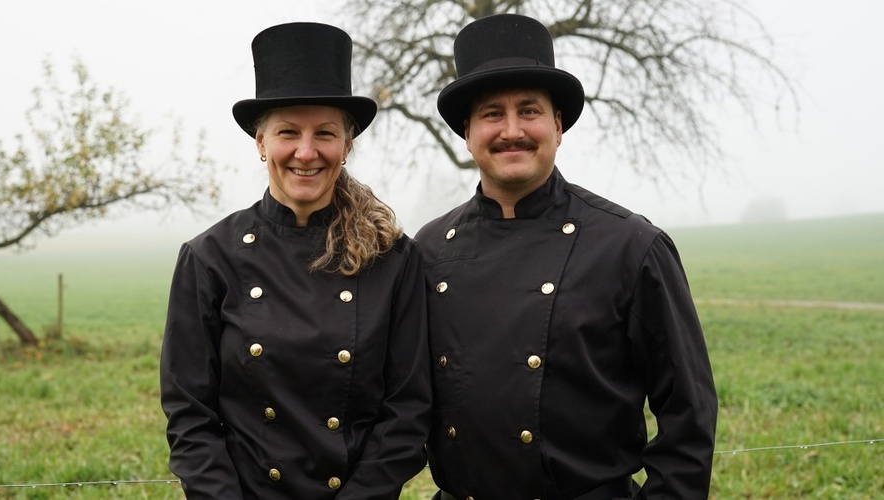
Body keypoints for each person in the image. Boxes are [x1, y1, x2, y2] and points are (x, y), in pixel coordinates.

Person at [416, 14, 718, 500]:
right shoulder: (428, 251)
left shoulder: (632, 246)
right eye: (492, 113)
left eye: (529, 111)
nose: (511, 130)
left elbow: (689, 415)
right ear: (466, 131)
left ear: (558, 125)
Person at [159, 22, 431, 499]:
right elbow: (190, 415)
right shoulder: (209, 258)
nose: (306, 152)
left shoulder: (393, 259)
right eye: (288, 133)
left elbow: (407, 411)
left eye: (324, 133)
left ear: (346, 146)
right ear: (261, 142)